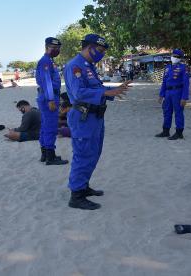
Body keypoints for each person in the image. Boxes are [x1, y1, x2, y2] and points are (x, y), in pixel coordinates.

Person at [63, 33, 131, 210]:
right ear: (89, 47)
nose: (101, 54)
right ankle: (76, 196)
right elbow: (79, 93)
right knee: (83, 154)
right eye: (99, 50)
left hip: (95, 117)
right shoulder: (74, 66)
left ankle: (83, 186)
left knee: (94, 153)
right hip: (83, 116)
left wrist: (113, 90)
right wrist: (105, 93)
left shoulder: (89, 66)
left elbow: (97, 88)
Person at [35, 37, 68, 165]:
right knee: (50, 127)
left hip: (46, 96)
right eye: (53, 48)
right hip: (49, 97)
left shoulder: (48, 60)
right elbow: (47, 82)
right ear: (46, 47)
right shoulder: (45, 61)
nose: (56, 50)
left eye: (58, 48)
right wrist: (50, 99)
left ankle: (44, 154)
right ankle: (50, 157)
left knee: (44, 126)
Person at [155, 49, 190, 140]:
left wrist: (184, 98)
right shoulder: (167, 67)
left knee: (178, 112)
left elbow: (186, 84)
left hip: (178, 92)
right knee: (166, 112)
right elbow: (164, 82)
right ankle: (166, 131)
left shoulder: (183, 68)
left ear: (180, 58)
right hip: (167, 92)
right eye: (173, 55)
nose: (174, 58)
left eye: (177, 56)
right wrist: (161, 95)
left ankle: (179, 132)